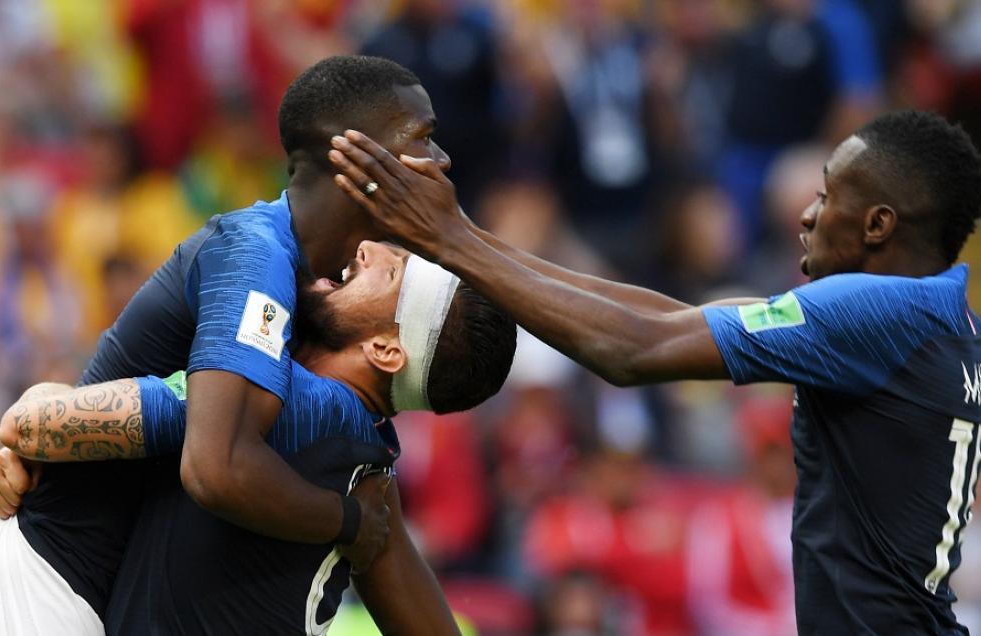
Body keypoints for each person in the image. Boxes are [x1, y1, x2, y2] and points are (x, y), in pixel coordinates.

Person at [328, 110, 981, 634]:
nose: (807, 215)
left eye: (828, 196)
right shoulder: (944, 323)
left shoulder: (874, 312)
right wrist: (469, 238)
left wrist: (450, 240)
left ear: (878, 225)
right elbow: (666, 317)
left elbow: (633, 350)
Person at [0, 55, 453, 633]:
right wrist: (348, 521)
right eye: (423, 136)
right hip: (42, 583)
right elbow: (217, 467)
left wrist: (44, 411)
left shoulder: (316, 299)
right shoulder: (256, 258)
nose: (441, 159)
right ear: (352, 152)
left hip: (80, 588)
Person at [0, 241, 516, 634]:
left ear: (386, 351)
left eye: (392, 273)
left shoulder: (278, 399)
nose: (366, 249)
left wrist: (38, 432)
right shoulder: (366, 458)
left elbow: (31, 424)